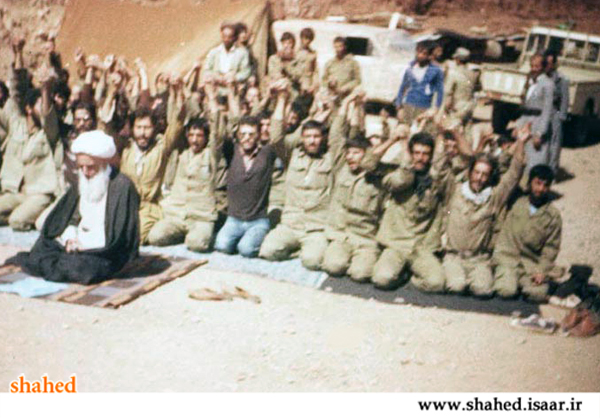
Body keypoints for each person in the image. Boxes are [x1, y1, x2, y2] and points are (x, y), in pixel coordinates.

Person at [6, 130, 140, 285]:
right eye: (81, 167)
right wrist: (70, 239)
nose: (85, 172)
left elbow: (118, 236)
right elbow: (71, 218)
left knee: (82, 268)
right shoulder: (82, 180)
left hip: (104, 249)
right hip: (78, 241)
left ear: (104, 163)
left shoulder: (122, 186)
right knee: (41, 251)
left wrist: (85, 245)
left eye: (91, 167)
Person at [258, 90, 347, 269]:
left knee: (312, 262)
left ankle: (305, 251)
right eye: (307, 137)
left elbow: (338, 136)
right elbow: (276, 137)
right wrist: (282, 99)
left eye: (316, 136)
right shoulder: (292, 156)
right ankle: (298, 250)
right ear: (301, 138)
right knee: (267, 251)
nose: (312, 141)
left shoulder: (331, 158)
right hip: (290, 225)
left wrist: (339, 107)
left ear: (323, 138)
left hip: (316, 228)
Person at [443, 128, 527, 297]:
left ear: (489, 177)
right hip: (454, 257)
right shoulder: (455, 189)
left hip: (479, 259)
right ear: (470, 172)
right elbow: (442, 169)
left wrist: (521, 142)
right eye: (476, 172)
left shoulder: (493, 196)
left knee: (483, 290)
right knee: (457, 286)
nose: (479, 178)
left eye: (484, 174)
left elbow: (514, 174)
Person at [362, 132, 449, 291]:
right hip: (396, 244)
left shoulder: (437, 179)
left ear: (431, 156)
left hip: (421, 247)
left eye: (425, 154)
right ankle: (400, 275)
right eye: (416, 153)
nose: (420, 158)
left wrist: (442, 136)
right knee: (382, 279)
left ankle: (411, 277)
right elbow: (368, 163)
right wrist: (393, 139)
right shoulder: (397, 173)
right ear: (410, 153)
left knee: (437, 283)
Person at [119, 81, 184, 244]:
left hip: (150, 208)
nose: (142, 133)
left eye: (147, 128)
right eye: (138, 127)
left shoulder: (161, 147)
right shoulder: (126, 149)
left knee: (136, 239)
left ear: (154, 129)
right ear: (132, 129)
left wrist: (177, 92)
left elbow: (177, 123)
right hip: (127, 206)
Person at [0, 54, 59, 231]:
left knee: (17, 221)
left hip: (38, 193)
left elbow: (48, 113)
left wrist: (45, 89)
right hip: (15, 192)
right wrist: (18, 52)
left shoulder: (48, 132)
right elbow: (16, 90)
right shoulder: (15, 124)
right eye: (39, 104)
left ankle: (43, 212)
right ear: (28, 108)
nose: (43, 108)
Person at [321, 133, 386, 282]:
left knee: (360, 274)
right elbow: (337, 136)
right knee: (333, 266)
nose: (350, 157)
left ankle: (363, 262)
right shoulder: (341, 169)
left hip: (366, 240)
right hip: (342, 236)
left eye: (356, 153)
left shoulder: (379, 176)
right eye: (348, 153)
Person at [492, 164, 562, 301]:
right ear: (529, 183)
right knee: (506, 291)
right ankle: (506, 279)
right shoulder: (515, 201)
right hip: (507, 259)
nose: (541, 189)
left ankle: (522, 284)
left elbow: (551, 248)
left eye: (546, 185)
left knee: (537, 295)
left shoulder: (553, 215)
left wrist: (542, 271)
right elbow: (509, 174)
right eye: (538, 183)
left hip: (531, 265)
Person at [214, 116, 277, 257]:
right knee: (222, 245)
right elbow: (219, 135)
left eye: (251, 134)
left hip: (258, 220)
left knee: (246, 250)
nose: (247, 138)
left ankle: (260, 237)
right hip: (234, 219)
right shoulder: (231, 151)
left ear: (258, 135)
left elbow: (278, 136)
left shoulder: (267, 153)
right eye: (243, 134)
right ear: (237, 135)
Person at [514, 53, 554, 178]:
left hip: (538, 122)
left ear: (543, 67)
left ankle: (532, 181)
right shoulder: (530, 81)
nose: (533, 69)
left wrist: (540, 133)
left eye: (537, 66)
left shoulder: (548, 84)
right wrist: (518, 125)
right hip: (526, 120)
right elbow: (524, 106)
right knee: (520, 154)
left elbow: (547, 110)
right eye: (532, 66)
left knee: (534, 156)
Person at [394, 41, 444, 126]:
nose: (420, 55)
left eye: (424, 53)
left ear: (429, 56)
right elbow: (403, 87)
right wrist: (398, 106)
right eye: (418, 52)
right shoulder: (410, 68)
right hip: (408, 104)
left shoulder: (436, 71)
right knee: (403, 129)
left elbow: (440, 91)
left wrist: (435, 109)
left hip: (423, 107)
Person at [203, 22, 251, 87]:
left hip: (233, 85)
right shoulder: (214, 52)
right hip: (216, 85)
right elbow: (207, 70)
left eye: (229, 37)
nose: (226, 39)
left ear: (234, 37)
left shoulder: (241, 53)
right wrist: (215, 76)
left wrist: (235, 77)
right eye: (224, 36)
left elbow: (246, 71)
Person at [437, 47, 476, 127]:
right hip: (469, 107)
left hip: (456, 109)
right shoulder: (473, 74)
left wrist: (441, 112)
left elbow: (447, 93)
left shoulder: (453, 73)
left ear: (457, 60)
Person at [544, 49, 569, 174]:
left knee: (554, 144)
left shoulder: (561, 79)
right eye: (545, 63)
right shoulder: (541, 77)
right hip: (541, 112)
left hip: (554, 112)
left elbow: (565, 98)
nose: (547, 66)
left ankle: (552, 171)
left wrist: (561, 116)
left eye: (550, 63)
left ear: (554, 64)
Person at [322, 37, 361, 103]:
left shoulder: (352, 63)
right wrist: (329, 83)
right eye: (336, 47)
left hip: (347, 94)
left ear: (345, 47)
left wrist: (346, 87)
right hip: (332, 94)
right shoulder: (329, 63)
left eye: (340, 46)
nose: (338, 49)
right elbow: (324, 80)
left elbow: (357, 80)